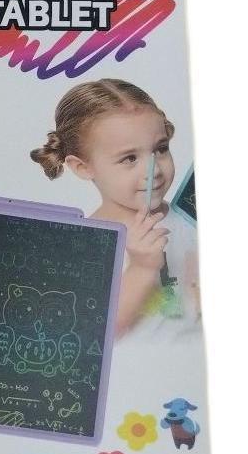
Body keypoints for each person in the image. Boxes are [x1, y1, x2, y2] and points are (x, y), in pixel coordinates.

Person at [31, 78, 199, 337]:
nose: (153, 170)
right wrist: (142, 268)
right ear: (82, 167)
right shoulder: (84, 244)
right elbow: (91, 331)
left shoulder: (190, 218)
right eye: (129, 158)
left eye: (161, 149)